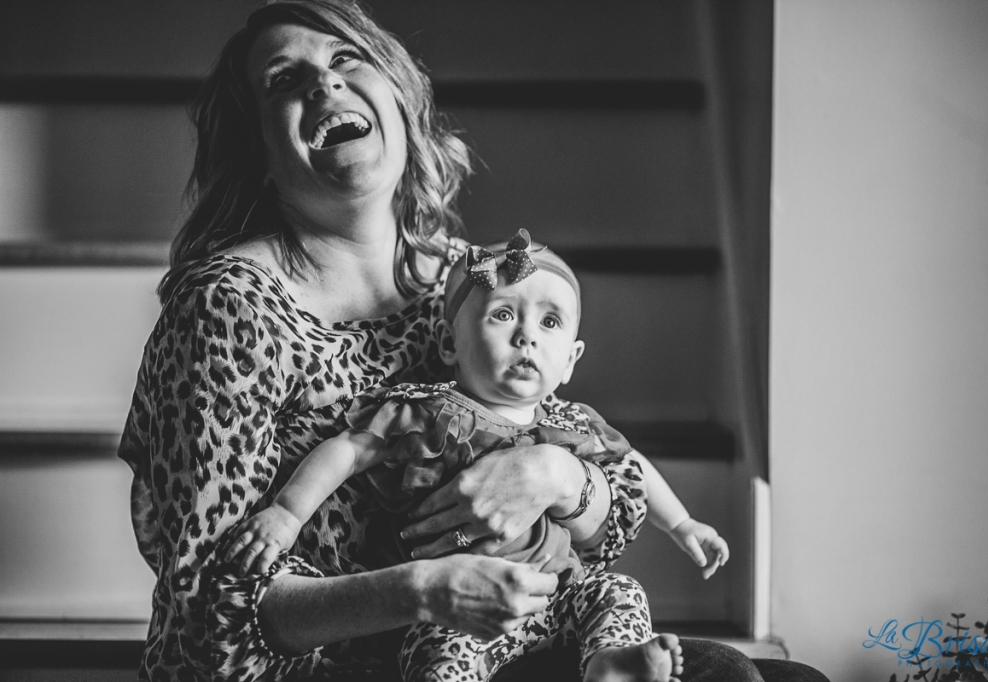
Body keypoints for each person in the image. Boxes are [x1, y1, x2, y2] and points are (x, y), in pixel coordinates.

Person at [117, 1, 830, 680]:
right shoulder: (227, 308)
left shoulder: (471, 281)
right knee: (731, 674)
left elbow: (608, 521)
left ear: (398, 99)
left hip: (511, 629)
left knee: (790, 678)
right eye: (283, 79)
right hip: (338, 665)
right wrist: (423, 590)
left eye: (346, 58)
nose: (325, 82)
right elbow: (207, 619)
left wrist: (556, 474)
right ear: (257, 149)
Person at [225, 231, 729, 680]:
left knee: (618, 591)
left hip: (557, 598)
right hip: (458, 613)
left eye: (550, 321)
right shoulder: (427, 413)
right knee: (438, 659)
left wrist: (682, 524)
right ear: (449, 344)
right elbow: (347, 451)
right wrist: (287, 513)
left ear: (571, 361)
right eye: (503, 314)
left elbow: (634, 466)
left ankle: (611, 662)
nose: (527, 335)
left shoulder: (573, 424)